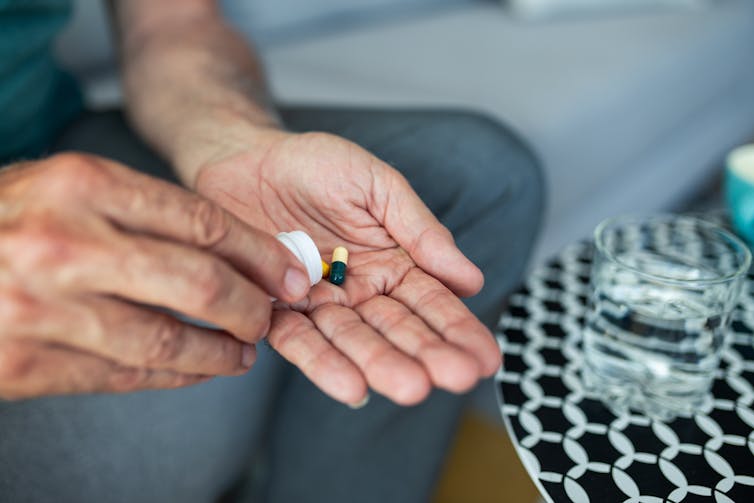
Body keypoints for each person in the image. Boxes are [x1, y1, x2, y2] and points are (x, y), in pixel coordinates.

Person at [0, 0, 544, 501]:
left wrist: (230, 138)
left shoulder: (324, 263)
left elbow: (169, 24)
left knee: (479, 174)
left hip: (54, 140)